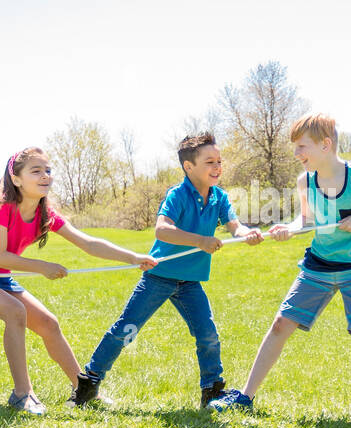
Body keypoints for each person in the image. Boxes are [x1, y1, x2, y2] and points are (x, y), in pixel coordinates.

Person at [211, 112, 351, 424]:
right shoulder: (306, 181)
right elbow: (304, 221)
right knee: (280, 324)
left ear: (325, 145)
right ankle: (246, 396)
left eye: (302, 147)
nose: (297, 154)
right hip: (318, 265)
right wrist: (288, 229)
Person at [0, 147, 157, 415]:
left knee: (48, 323)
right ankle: (22, 394)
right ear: (17, 178)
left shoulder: (46, 213)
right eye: (36, 171)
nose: (45, 176)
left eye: (48, 170)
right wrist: (42, 267)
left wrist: (132, 257)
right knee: (14, 311)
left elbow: (88, 243)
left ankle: (84, 391)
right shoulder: (0, 208)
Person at [71, 133, 262, 408]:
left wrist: (247, 233)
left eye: (219, 161)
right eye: (209, 162)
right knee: (126, 330)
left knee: (207, 333)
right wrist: (200, 240)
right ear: (189, 167)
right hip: (158, 277)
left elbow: (235, 226)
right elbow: (162, 229)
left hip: (190, 283)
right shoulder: (178, 194)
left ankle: (212, 390)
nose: (217, 166)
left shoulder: (219, 197)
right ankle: (89, 381)